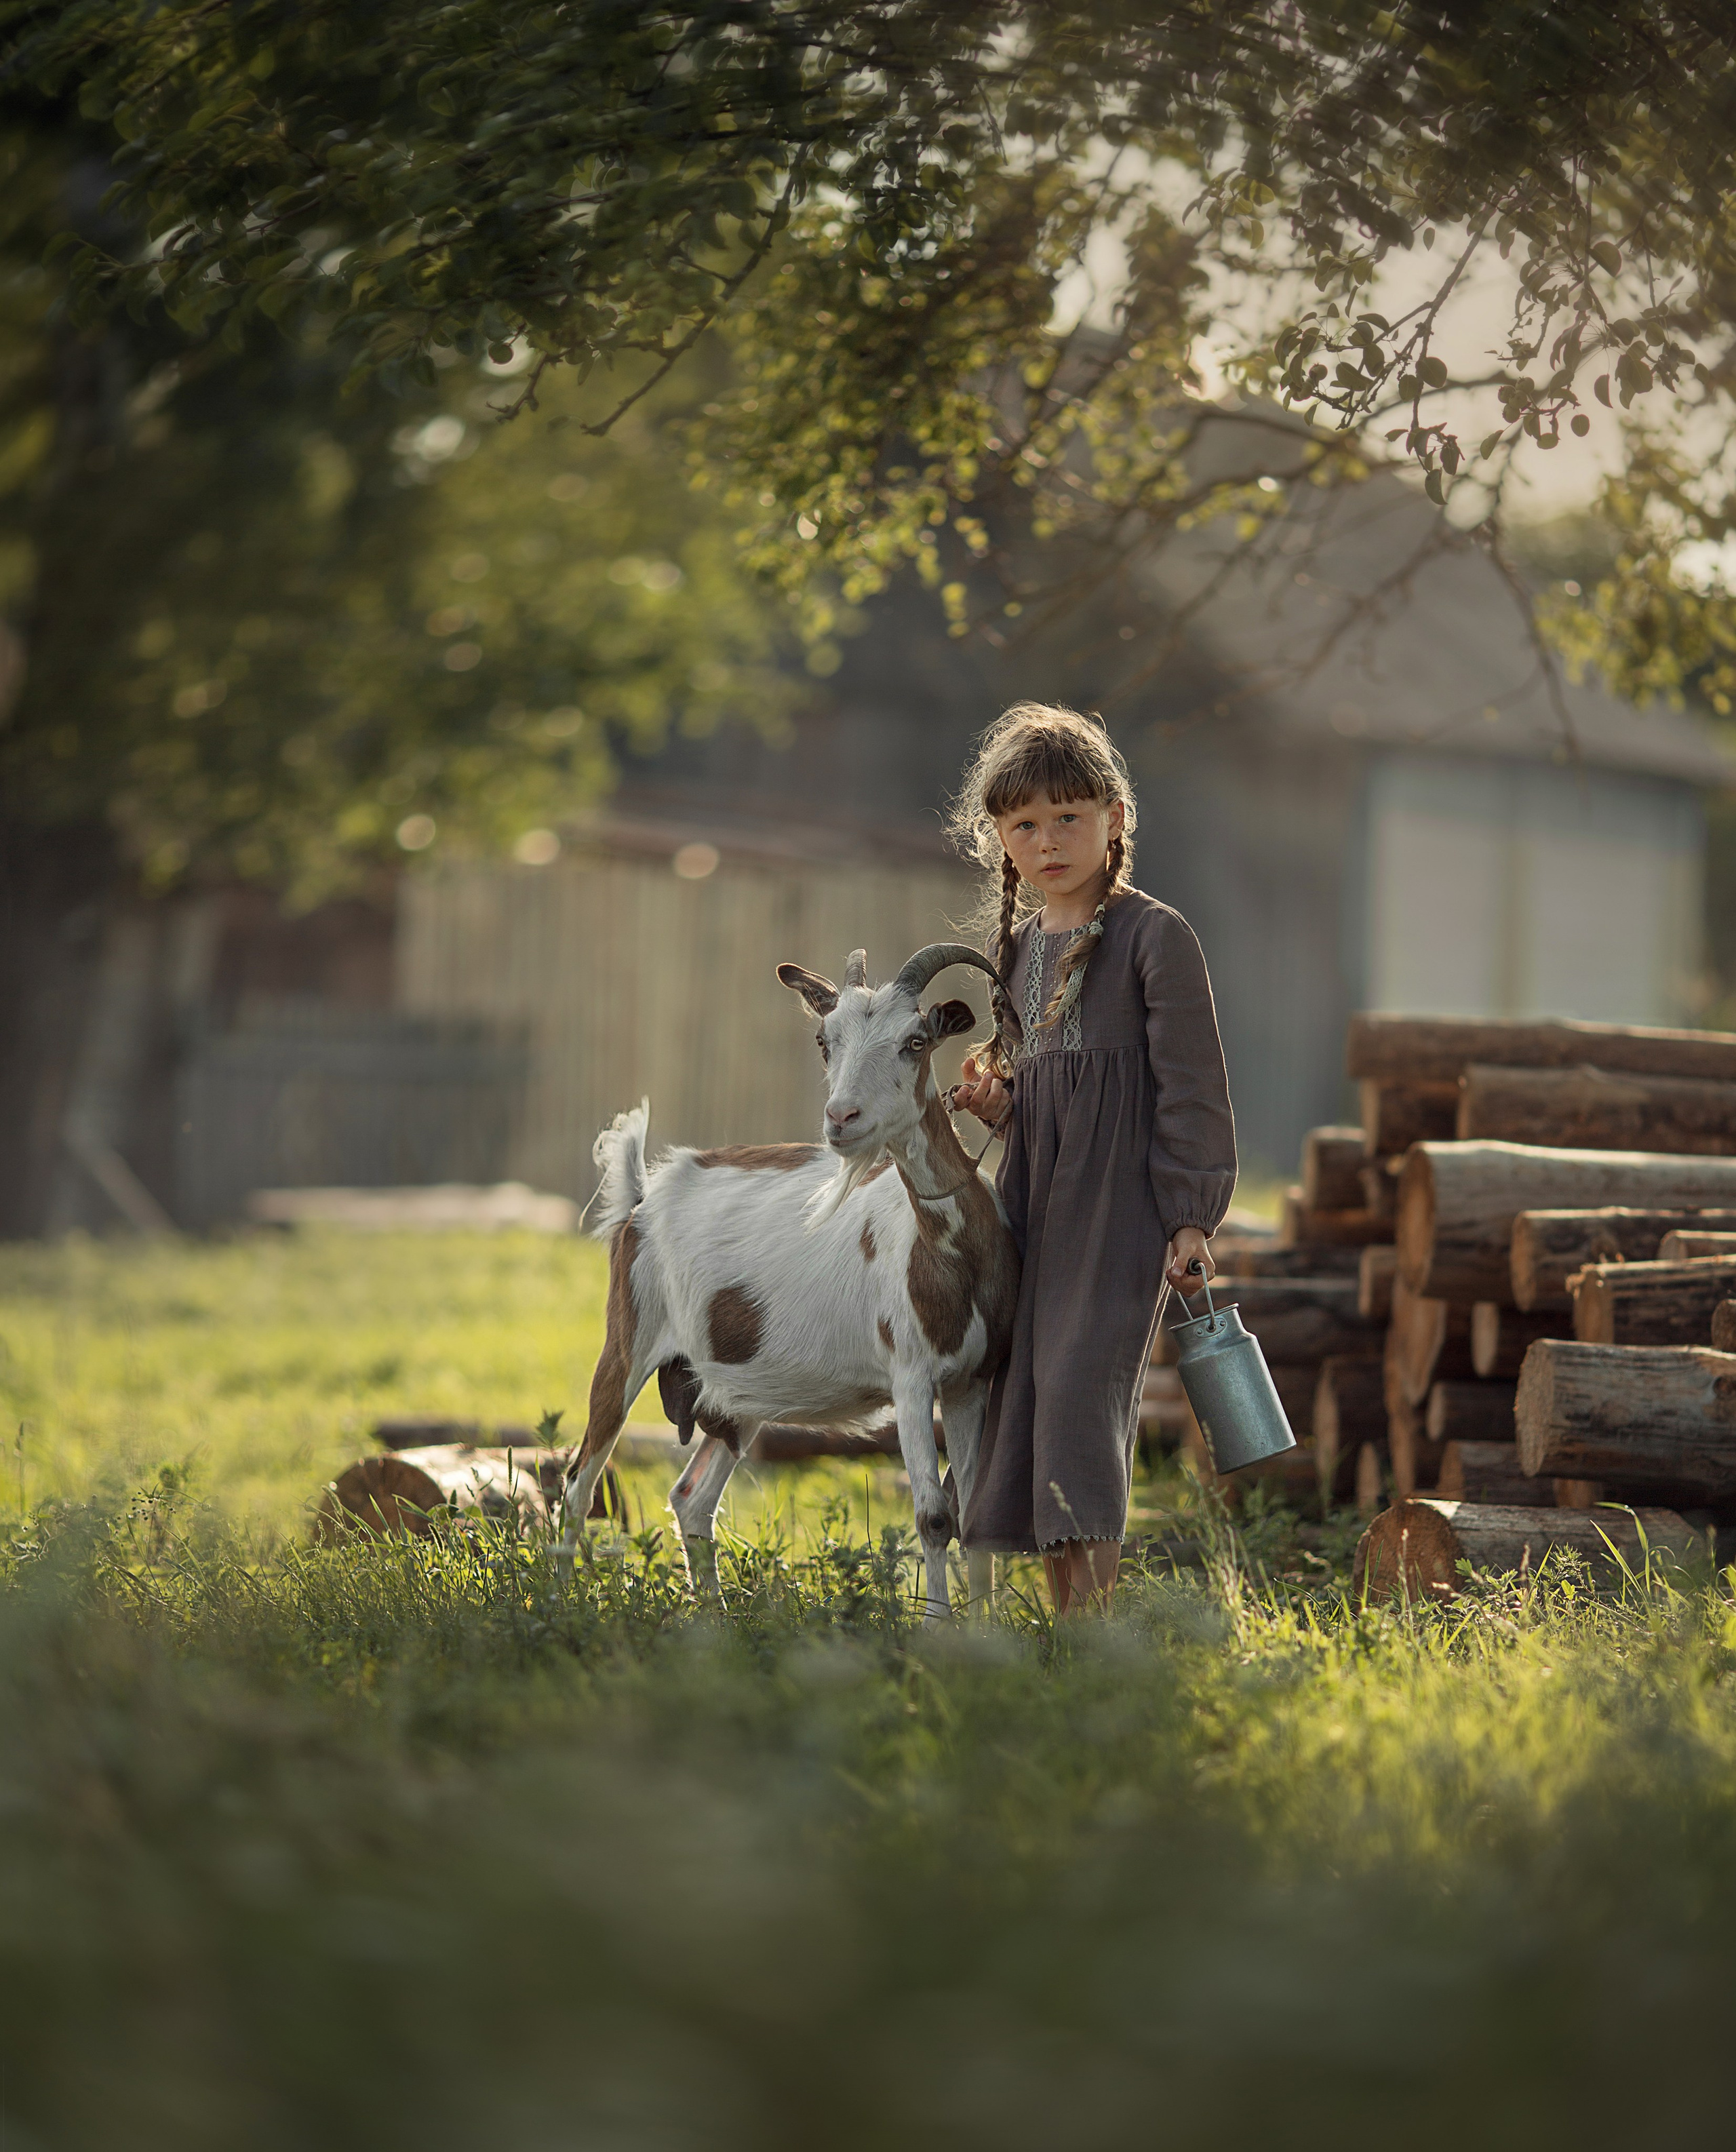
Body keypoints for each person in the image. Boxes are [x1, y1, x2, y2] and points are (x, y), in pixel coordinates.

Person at [948, 702, 1237, 1616]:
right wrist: (1003, 1102)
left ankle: (1096, 1624)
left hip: (1122, 1214)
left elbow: (1193, 1087)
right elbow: (1045, 1087)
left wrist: (1190, 1213)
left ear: (1115, 816)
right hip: (1032, 1206)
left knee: (1081, 1397)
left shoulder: (1156, 938)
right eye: (1024, 823)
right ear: (999, 838)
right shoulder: (1021, 950)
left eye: (1068, 816)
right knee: (1029, 1398)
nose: (1047, 839)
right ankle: (1062, 1615)